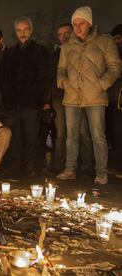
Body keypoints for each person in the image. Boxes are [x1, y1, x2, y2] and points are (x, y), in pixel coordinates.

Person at [56, 6, 121, 184]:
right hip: (71, 97)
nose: (77, 28)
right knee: (71, 135)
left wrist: (102, 84)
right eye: (74, 24)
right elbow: (61, 68)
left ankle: (101, 172)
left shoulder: (104, 41)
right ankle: (70, 169)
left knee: (98, 135)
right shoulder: (68, 45)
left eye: (81, 23)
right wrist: (63, 81)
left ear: (89, 23)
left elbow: (115, 66)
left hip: (95, 97)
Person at [0, 16, 51, 177]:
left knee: (32, 135)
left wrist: (41, 99)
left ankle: (31, 166)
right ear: (15, 32)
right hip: (14, 103)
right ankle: (16, 165)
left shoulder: (40, 51)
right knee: (16, 135)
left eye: (25, 29)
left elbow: (45, 77)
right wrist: (7, 98)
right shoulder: (10, 53)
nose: (22, 33)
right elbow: (3, 78)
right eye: (19, 30)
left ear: (31, 30)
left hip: (31, 102)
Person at [51, 23, 93, 174]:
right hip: (60, 98)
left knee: (82, 131)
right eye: (60, 34)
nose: (64, 37)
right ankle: (60, 164)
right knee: (62, 133)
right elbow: (52, 76)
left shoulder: (80, 49)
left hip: (79, 97)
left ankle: (86, 164)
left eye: (67, 33)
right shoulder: (55, 54)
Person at [109, 24, 122, 178]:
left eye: (119, 38)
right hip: (113, 100)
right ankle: (119, 166)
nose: (118, 42)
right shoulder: (112, 53)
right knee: (116, 134)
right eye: (115, 39)